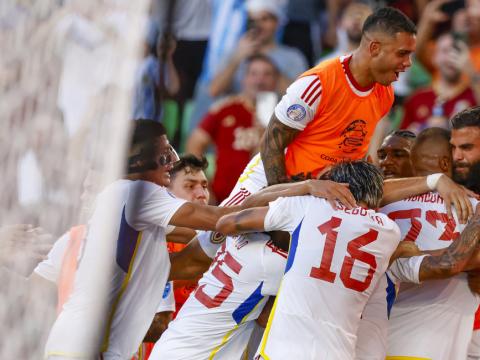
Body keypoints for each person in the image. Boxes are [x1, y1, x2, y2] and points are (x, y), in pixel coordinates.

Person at [216, 161, 407, 359]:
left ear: (336, 186)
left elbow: (227, 223)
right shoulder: (390, 231)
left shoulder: (308, 206)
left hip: (281, 351)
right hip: (338, 353)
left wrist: (306, 186)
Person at [381, 127, 480, 359]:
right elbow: (447, 264)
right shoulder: (473, 207)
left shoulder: (380, 207)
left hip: (378, 340)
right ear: (446, 163)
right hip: (431, 345)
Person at [187, 54, 279, 203]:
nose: (260, 81)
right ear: (244, 79)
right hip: (224, 201)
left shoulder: (285, 115)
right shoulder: (224, 109)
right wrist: (203, 186)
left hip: (266, 203)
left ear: (275, 81)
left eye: (267, 74)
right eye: (253, 73)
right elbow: (194, 144)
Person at [209, 0, 308, 97]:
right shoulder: (235, 53)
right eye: (252, 20)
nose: (258, 26)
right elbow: (214, 91)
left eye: (264, 19)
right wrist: (237, 59)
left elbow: (301, 98)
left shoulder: (293, 57)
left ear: (277, 22)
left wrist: (267, 67)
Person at [401, 32, 478, 132]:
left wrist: (471, 73)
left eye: (456, 51)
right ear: (434, 58)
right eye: (445, 51)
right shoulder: (417, 98)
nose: (451, 57)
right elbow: (399, 141)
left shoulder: (474, 96)